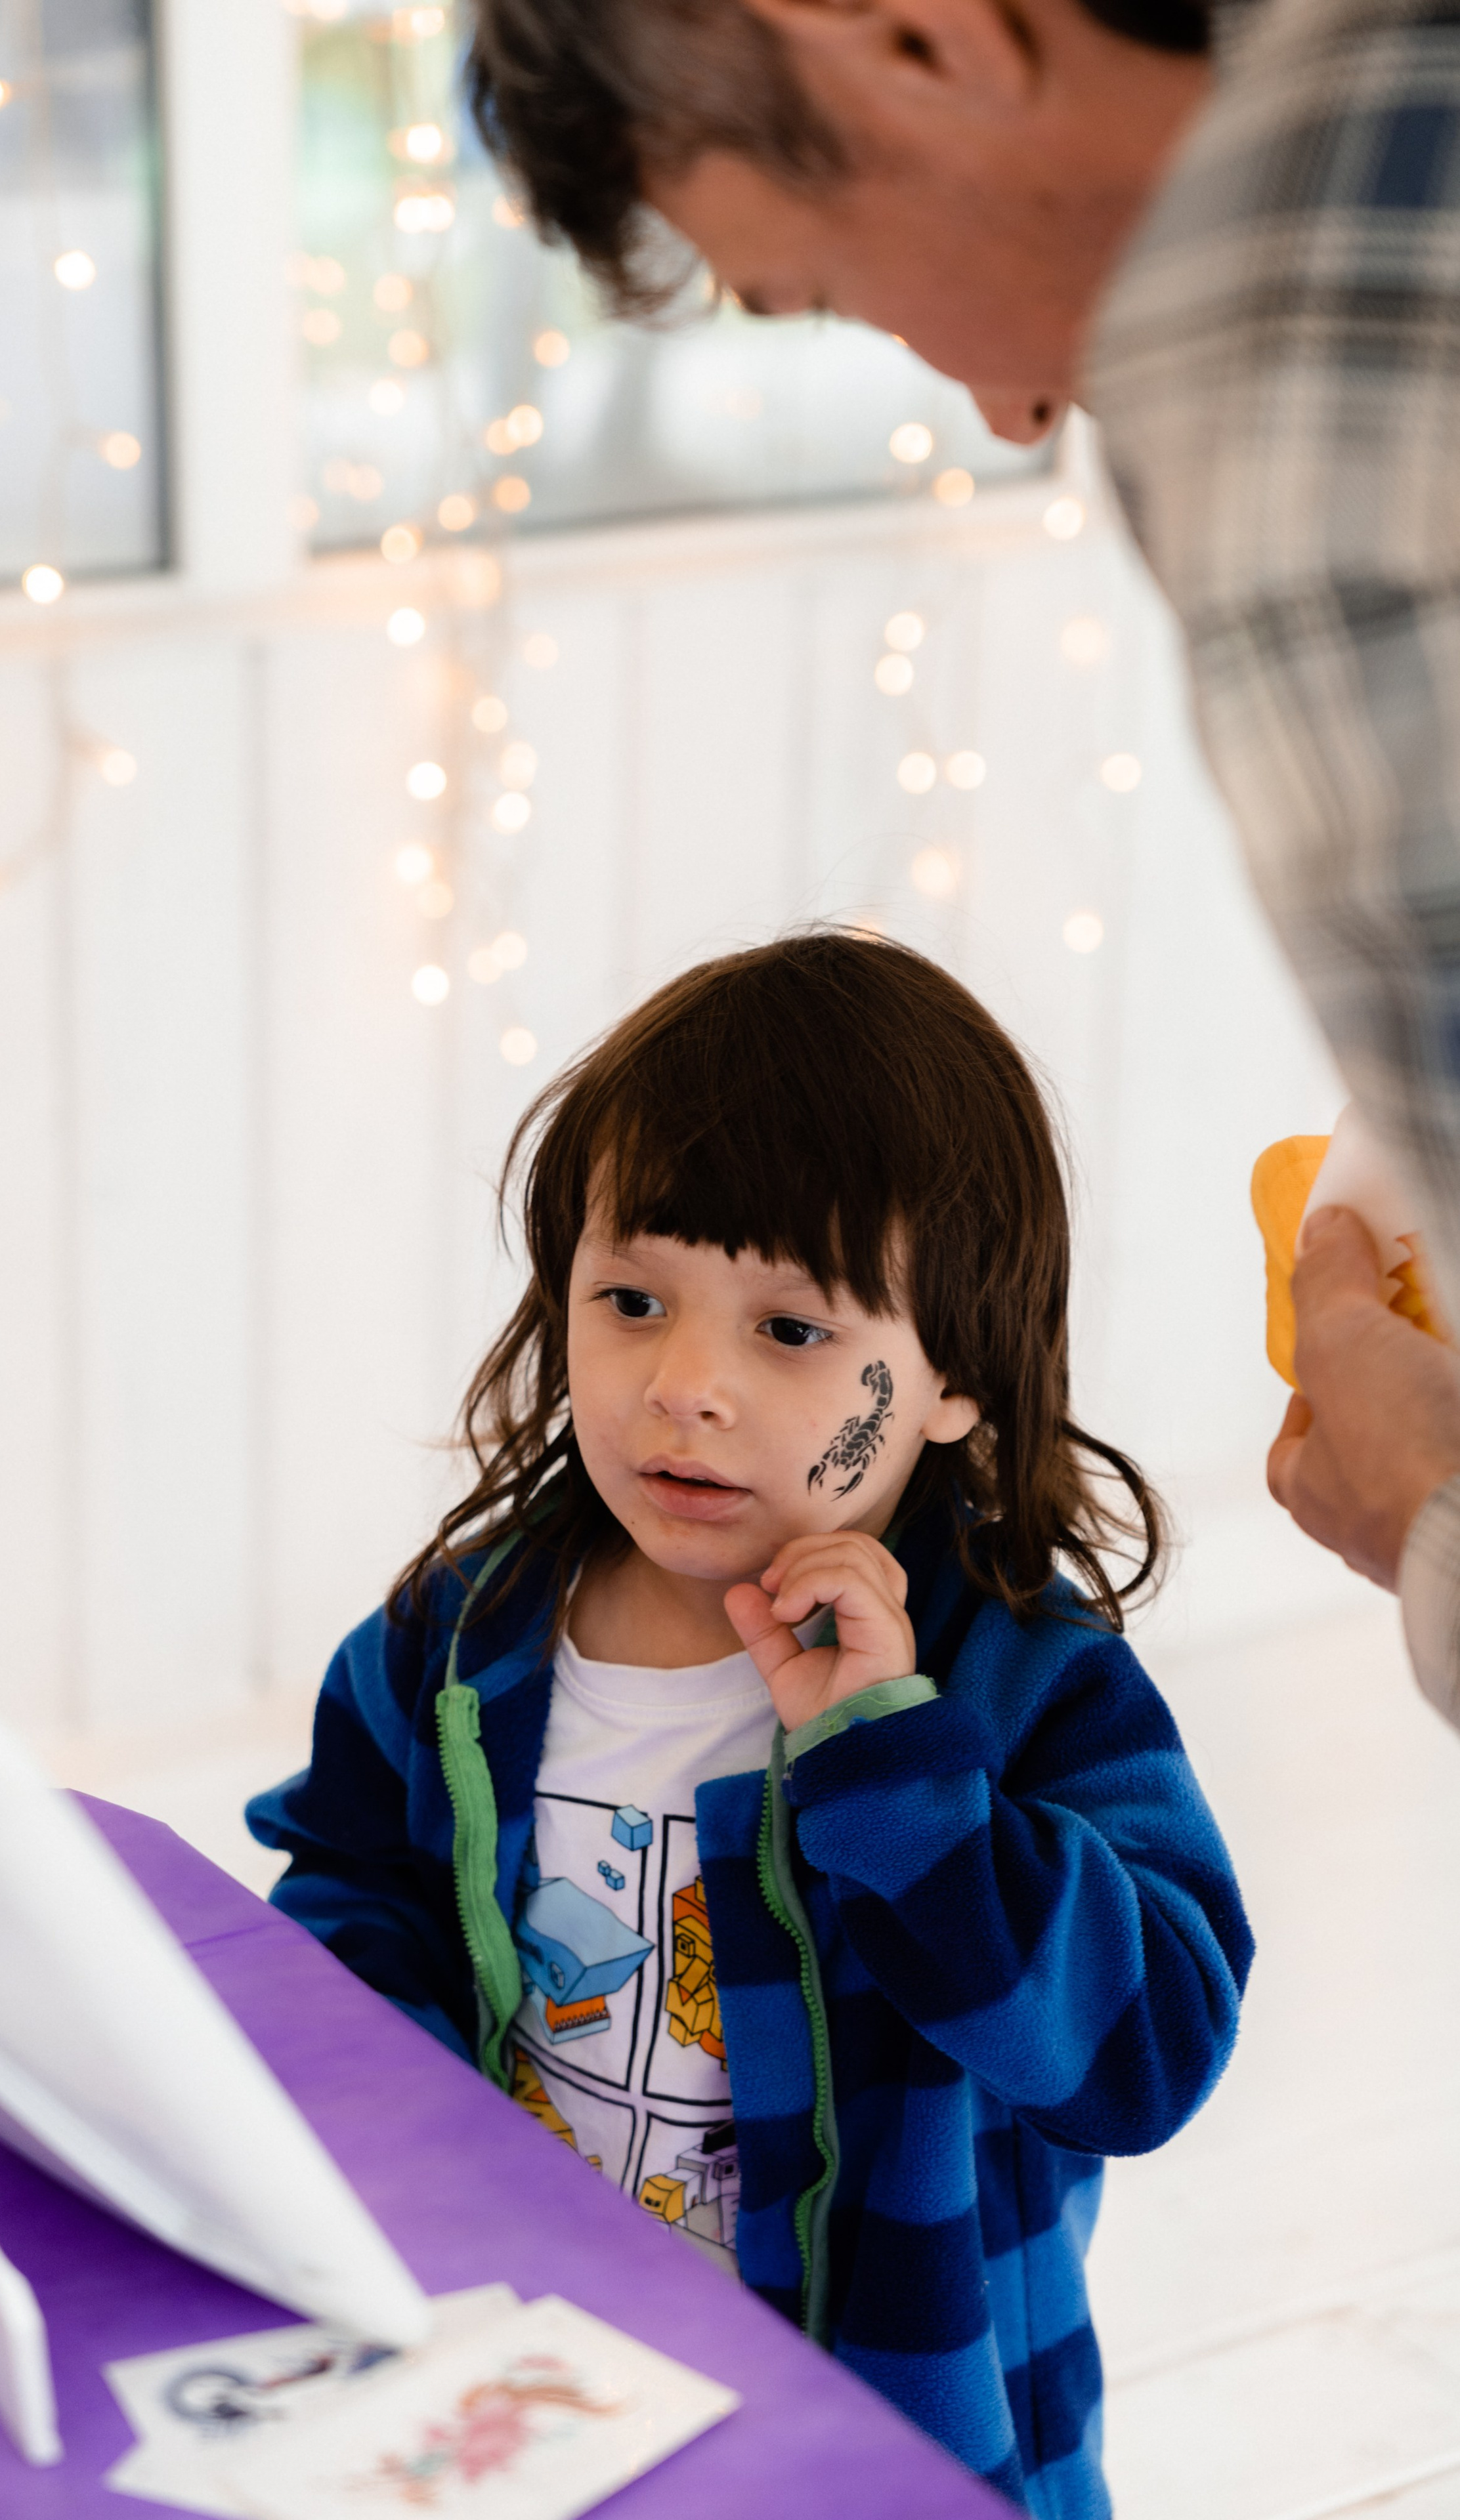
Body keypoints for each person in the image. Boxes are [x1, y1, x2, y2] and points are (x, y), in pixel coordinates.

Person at [463, 0, 1460, 1723]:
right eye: (625, 1299)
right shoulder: (459, 1645)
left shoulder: (1296, 425)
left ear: (918, 39)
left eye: (836, 287)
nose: (1010, 411)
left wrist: (1429, 1511)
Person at [247, 932, 1252, 2516]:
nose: (683, 1384)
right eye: (631, 1300)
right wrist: (420, 2149)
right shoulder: (461, 1637)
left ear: (951, 1377)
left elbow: (1144, 2058)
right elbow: (345, 1894)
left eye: (789, 1330)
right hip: (547, 2397)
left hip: (895, 2442)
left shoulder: (1017, 1679)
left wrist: (897, 1775)